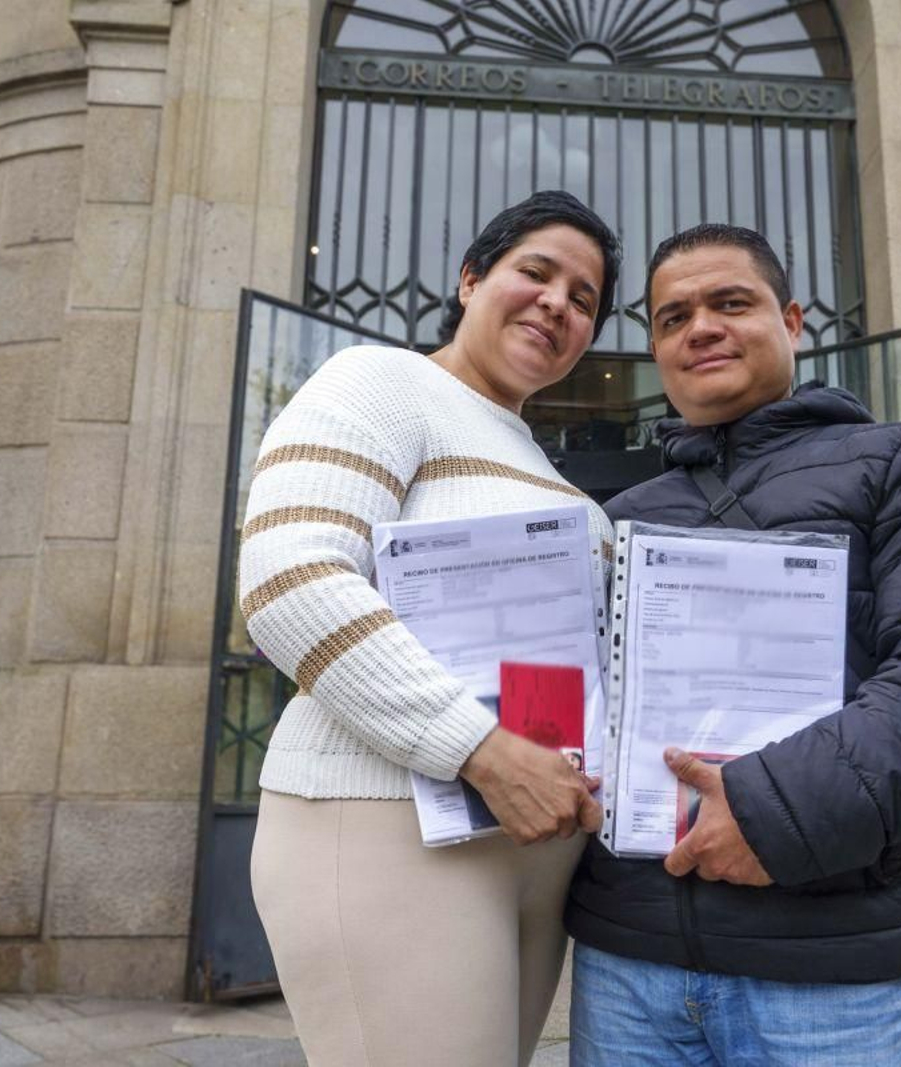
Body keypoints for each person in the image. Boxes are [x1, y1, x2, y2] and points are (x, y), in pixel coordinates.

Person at [565, 224, 901, 1065]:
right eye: (672, 317)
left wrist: (771, 818)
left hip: (831, 973)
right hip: (628, 963)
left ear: (795, 320)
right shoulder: (622, 518)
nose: (700, 326)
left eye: (730, 302)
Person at [242, 191, 620, 1067]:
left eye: (584, 298)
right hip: (383, 819)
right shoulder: (380, 380)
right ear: (470, 278)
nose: (558, 302)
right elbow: (291, 578)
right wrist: (483, 751)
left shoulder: (535, 457)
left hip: (530, 844)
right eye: (536, 271)